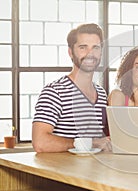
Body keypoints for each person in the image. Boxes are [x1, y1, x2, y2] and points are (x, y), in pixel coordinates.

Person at [32, 23, 111, 153]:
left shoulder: (101, 94)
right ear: (70, 52)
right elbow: (40, 143)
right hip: (59, 172)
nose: (90, 54)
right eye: (83, 47)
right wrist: (90, 143)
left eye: (95, 48)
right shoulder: (54, 92)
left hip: (93, 172)